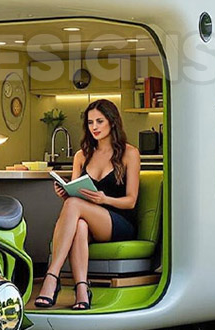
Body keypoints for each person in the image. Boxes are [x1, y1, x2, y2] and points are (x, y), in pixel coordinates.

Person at [34, 98, 140, 310]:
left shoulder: (130, 153)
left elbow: (131, 201)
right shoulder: (81, 156)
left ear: (112, 122)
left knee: (74, 206)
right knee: (79, 224)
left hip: (118, 221)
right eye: (90, 123)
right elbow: (76, 198)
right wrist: (65, 194)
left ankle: (51, 277)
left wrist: (104, 199)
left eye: (99, 121)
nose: (94, 127)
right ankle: (82, 291)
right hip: (87, 218)